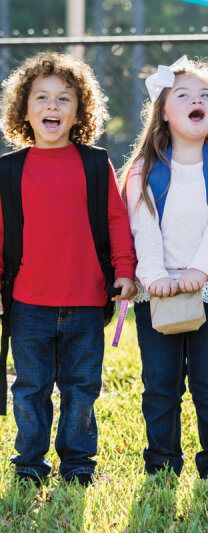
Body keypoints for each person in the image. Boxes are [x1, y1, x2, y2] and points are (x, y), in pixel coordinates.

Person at [0, 52, 136, 486]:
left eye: (64, 99)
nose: (52, 107)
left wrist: (125, 269)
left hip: (86, 301)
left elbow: (116, 220)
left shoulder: (95, 164)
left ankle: (78, 465)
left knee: (81, 389)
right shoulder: (9, 170)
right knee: (30, 389)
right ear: (24, 109)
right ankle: (29, 465)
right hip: (27, 304)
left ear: (80, 110)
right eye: (41, 98)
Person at [121, 56, 208, 482]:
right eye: (184, 95)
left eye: (206, 96)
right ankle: (161, 463)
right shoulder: (143, 169)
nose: (197, 101)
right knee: (160, 385)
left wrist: (200, 270)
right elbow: (143, 225)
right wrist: (154, 274)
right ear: (163, 110)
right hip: (155, 291)